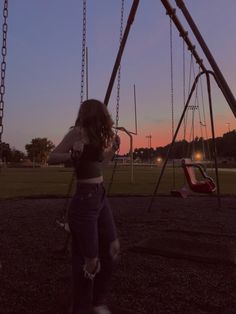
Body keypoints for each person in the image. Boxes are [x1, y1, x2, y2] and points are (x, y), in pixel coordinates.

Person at [48, 99, 120, 314]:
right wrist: (73, 154)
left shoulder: (97, 136)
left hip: (100, 198)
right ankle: (80, 307)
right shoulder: (76, 133)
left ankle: (97, 301)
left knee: (112, 248)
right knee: (90, 260)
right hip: (84, 202)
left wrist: (113, 150)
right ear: (95, 114)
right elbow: (51, 157)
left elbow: (101, 165)